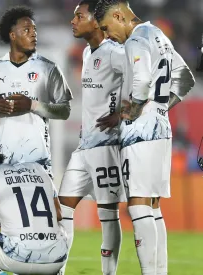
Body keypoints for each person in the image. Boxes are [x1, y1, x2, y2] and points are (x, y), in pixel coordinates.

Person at [94, 1, 195, 274]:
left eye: (106, 27)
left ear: (118, 15)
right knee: (153, 205)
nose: (106, 35)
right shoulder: (158, 34)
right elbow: (185, 79)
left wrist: (136, 108)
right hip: (162, 126)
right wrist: (159, 106)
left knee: (137, 204)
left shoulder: (135, 41)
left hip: (140, 131)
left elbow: (140, 82)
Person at [57, 1, 127, 274]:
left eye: (79, 16)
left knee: (107, 214)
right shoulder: (88, 53)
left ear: (96, 21)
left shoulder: (115, 52)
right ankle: (57, 270)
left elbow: (141, 80)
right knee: (62, 207)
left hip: (107, 147)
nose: (73, 21)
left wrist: (122, 114)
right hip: (84, 146)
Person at [0, 6, 72, 176]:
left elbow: (64, 111)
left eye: (34, 29)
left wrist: (32, 105)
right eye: (27, 30)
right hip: (3, 161)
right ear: (12, 35)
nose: (33, 34)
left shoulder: (48, 68)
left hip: (38, 161)